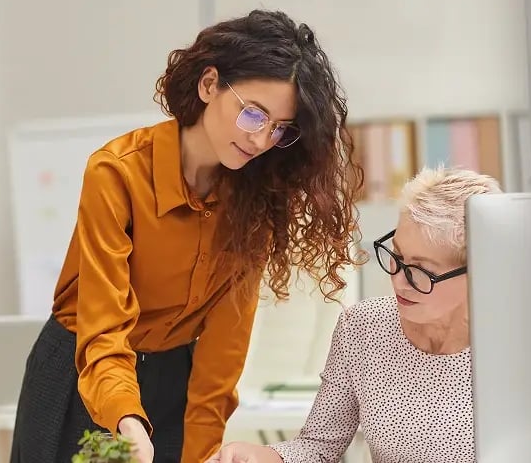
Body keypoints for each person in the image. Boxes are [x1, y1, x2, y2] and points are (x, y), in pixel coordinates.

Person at [9, 9, 364, 463]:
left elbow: (220, 359)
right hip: (83, 375)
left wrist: (199, 451)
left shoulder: (254, 201)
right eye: (254, 114)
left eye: (279, 129)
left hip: (174, 379)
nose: (260, 140)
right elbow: (103, 329)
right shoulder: (117, 174)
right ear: (209, 84)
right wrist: (125, 418)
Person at [207, 167, 502, 463]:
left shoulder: (517, 347)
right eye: (397, 257)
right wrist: (262, 457)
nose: (398, 281)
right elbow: (319, 446)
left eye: (420, 271)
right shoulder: (363, 327)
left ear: (478, 271)